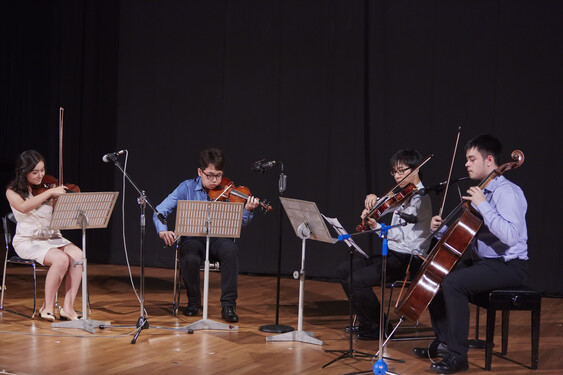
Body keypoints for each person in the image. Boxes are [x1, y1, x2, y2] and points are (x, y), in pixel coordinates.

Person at [413, 134, 529, 374]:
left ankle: (458, 357)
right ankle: (445, 342)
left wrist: (483, 204)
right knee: (438, 274)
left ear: (489, 161)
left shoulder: (508, 192)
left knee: (454, 283)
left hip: (510, 265)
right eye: (466, 159)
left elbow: (511, 236)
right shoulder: (482, 191)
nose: (466, 164)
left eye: (471, 159)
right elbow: (467, 230)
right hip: (487, 263)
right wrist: (441, 228)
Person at [153, 147, 259, 323]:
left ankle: (228, 306)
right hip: (193, 239)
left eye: (218, 175)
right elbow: (160, 210)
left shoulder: (228, 190)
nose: (214, 180)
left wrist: (247, 210)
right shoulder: (186, 187)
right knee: (189, 257)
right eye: (209, 175)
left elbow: (238, 224)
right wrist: (163, 230)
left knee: (230, 250)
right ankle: (194, 302)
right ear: (200, 172)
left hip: (218, 239)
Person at [337, 149, 433, 340]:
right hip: (393, 254)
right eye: (394, 172)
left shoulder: (421, 199)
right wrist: (371, 200)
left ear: (415, 170)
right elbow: (381, 208)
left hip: (409, 259)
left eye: (401, 171)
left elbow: (402, 235)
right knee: (344, 270)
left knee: (357, 280)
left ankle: (380, 326)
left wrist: (378, 227)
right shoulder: (404, 193)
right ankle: (367, 322)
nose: (397, 176)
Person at [5, 150, 83, 321]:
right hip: (28, 240)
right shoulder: (12, 191)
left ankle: (68, 308)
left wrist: (62, 202)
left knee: (78, 255)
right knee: (61, 259)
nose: (41, 175)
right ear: (24, 172)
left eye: (42, 170)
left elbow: (61, 216)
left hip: (53, 237)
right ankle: (47, 307)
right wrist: (49, 194)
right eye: (35, 172)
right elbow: (24, 207)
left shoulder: (49, 187)